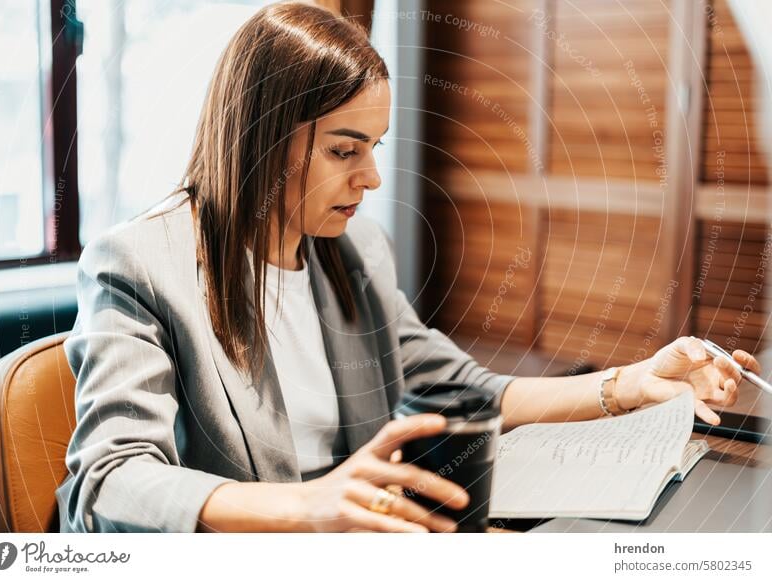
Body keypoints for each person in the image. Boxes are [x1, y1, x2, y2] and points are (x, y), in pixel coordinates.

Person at [56, 1, 760, 533]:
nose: (370, 178)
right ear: (260, 139)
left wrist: (632, 383)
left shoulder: (353, 253)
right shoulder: (142, 265)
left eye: (375, 147)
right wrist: (306, 505)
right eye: (343, 150)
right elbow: (109, 479)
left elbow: (466, 390)